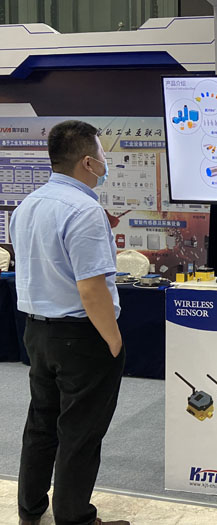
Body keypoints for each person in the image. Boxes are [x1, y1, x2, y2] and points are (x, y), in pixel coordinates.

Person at [10, 120, 129, 525]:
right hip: (80, 335)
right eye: (102, 155)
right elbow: (92, 289)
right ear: (87, 163)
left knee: (41, 423)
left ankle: (30, 510)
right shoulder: (84, 209)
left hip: (36, 331)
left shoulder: (28, 205)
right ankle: (75, 518)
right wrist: (113, 340)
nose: (105, 163)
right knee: (80, 432)